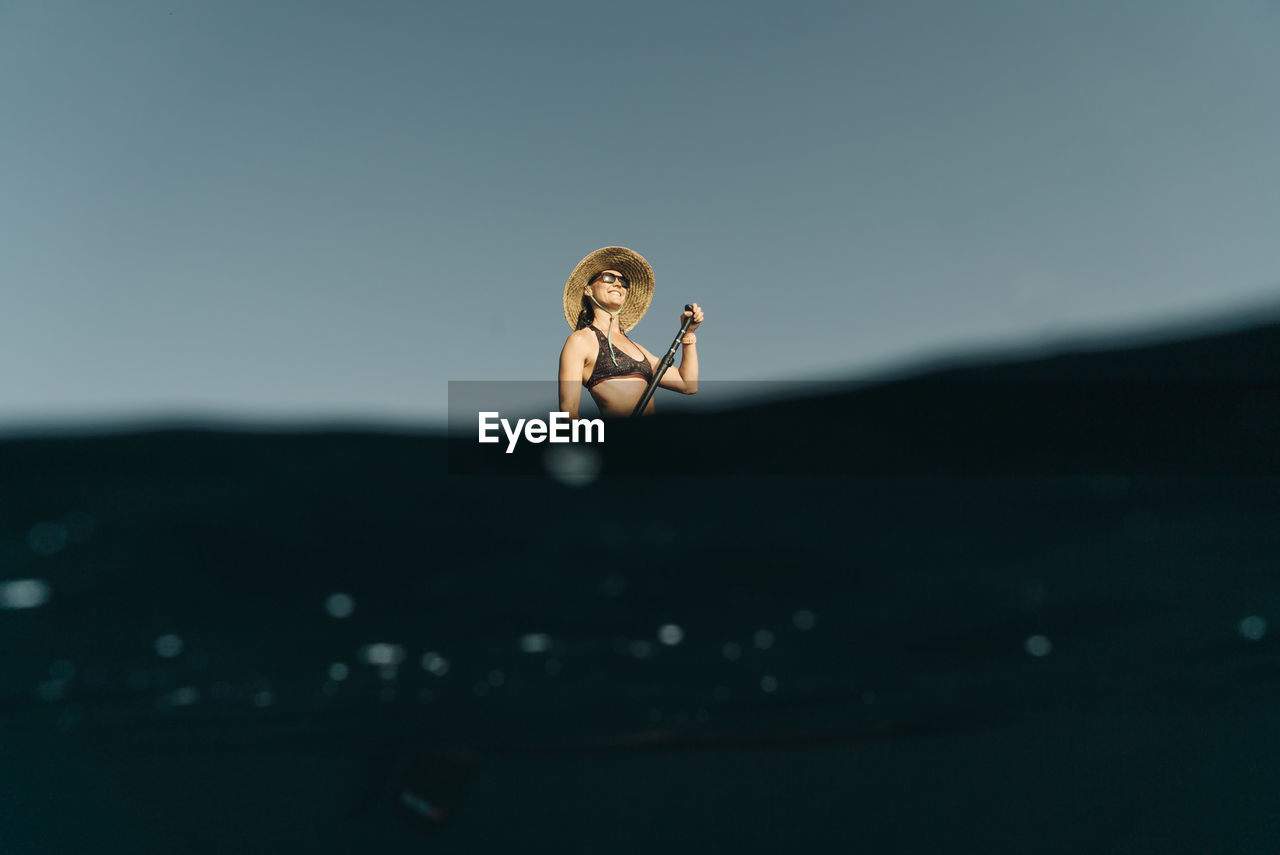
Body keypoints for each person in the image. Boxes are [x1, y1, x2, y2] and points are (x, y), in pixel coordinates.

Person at [558, 246, 704, 419]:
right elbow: (568, 411)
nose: (618, 284)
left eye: (623, 281)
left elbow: (688, 384)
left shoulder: (638, 349)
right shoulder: (580, 340)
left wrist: (688, 334)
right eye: (608, 277)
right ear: (588, 290)